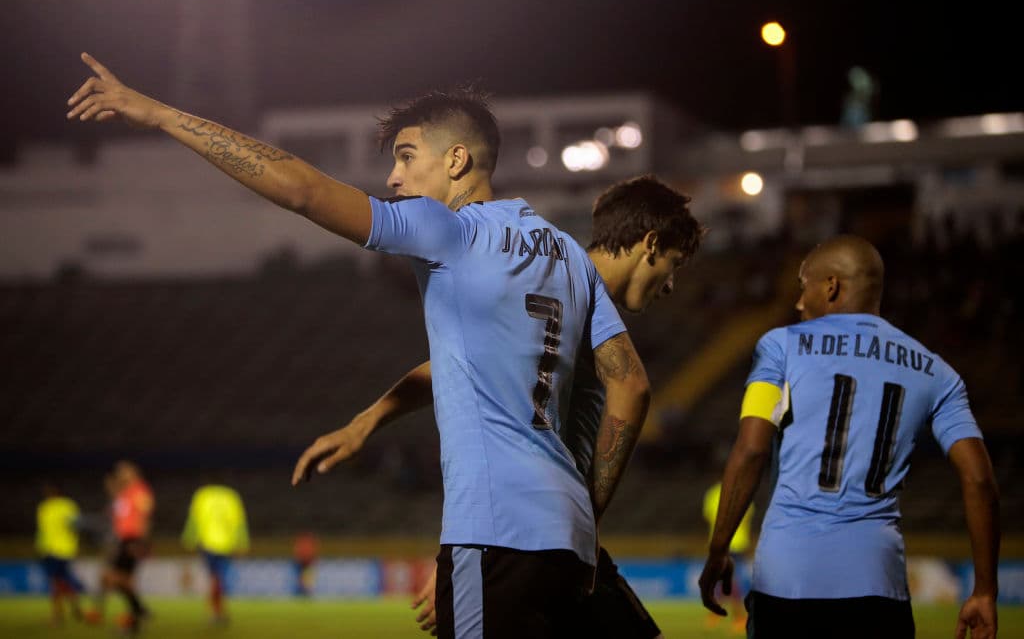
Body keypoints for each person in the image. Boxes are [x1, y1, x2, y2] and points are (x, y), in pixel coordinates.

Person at [68, 54, 650, 638]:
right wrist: (369, 420)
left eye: (405, 157)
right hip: (569, 536)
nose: (394, 179)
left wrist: (159, 115)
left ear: (457, 160)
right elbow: (628, 381)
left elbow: (301, 189)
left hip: (495, 527)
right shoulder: (567, 253)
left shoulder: (449, 229)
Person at [293, 175, 706, 638]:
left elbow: (455, 366)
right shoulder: (579, 290)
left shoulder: (555, 281)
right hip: (539, 539)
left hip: (532, 541)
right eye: (674, 265)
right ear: (649, 244)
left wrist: (366, 423)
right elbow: (632, 388)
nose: (669, 285)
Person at [699, 235, 1000, 639]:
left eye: (803, 285)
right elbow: (979, 478)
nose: (798, 302)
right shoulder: (937, 373)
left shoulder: (780, 347)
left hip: (787, 581)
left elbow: (752, 449)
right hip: (877, 585)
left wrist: (719, 550)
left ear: (831, 286)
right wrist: (984, 590)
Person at [86, 461, 155, 634]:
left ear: (134, 473)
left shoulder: (139, 490)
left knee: (113, 578)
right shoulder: (124, 494)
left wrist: (140, 542)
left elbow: (146, 515)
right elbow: (117, 505)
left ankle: (137, 613)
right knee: (122, 581)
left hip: (132, 540)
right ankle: (136, 617)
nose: (121, 474)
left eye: (124, 471)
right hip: (123, 540)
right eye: (119, 472)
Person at [181, 483, 250, 624]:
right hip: (226, 545)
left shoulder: (202, 495)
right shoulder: (231, 495)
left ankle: (216, 612)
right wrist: (242, 542)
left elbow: (194, 519)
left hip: (208, 544)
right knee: (218, 579)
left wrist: (188, 539)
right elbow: (239, 522)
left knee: (215, 579)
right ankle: (217, 612)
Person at [702, 480, 752, 633]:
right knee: (727, 579)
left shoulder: (713, 493)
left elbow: (709, 515)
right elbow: (748, 514)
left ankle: (733, 615)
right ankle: (729, 614)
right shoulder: (743, 490)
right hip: (738, 541)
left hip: (721, 541)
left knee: (725, 579)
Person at [36, 482, 85, 625]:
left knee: (57, 582)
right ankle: (74, 610)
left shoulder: (67, 506)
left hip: (63, 550)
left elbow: (75, 526)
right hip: (48, 550)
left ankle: (58, 615)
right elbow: (43, 530)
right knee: (60, 581)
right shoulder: (44, 507)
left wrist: (76, 545)